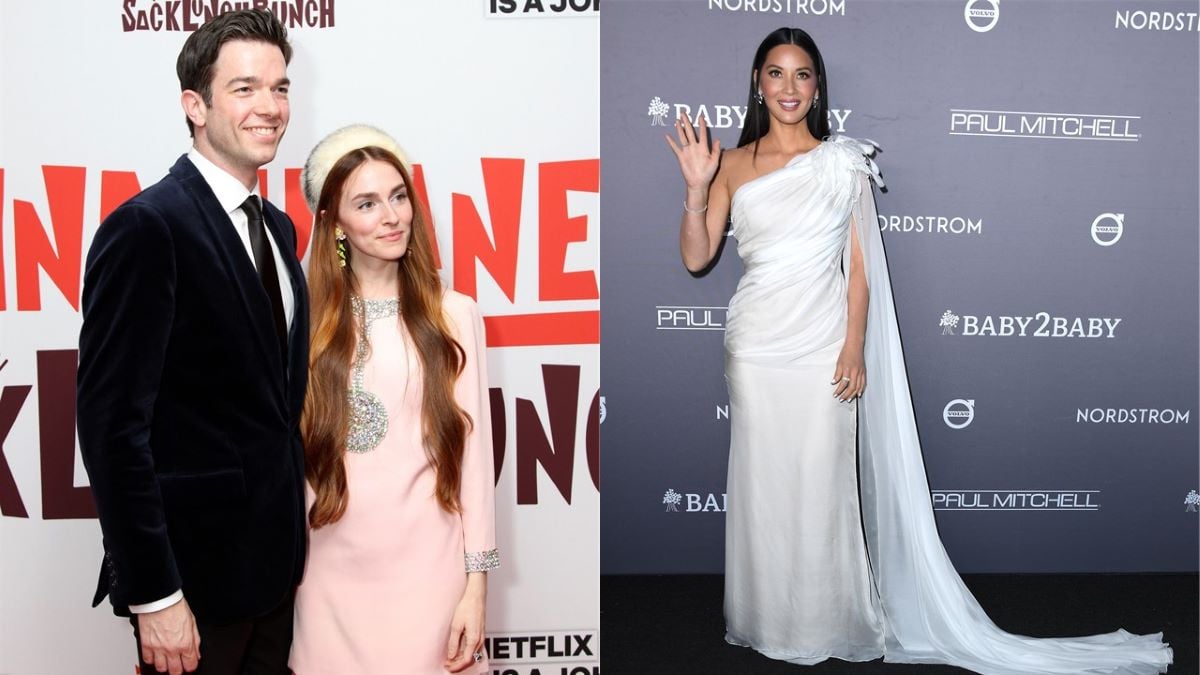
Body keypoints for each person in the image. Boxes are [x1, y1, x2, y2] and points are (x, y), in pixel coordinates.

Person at [667, 26, 1172, 674]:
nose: (788, 87)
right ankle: (768, 619)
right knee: (764, 488)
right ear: (758, 84)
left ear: (817, 87)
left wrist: (854, 348)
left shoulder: (841, 161)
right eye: (776, 73)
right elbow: (695, 254)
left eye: (801, 74)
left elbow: (859, 273)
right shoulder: (730, 164)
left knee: (823, 490)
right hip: (757, 349)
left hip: (821, 346)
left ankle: (823, 619)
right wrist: (696, 188)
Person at [76, 9, 307, 675]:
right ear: (195, 105)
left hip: (275, 575)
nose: (270, 107)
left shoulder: (281, 230)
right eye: (244, 89)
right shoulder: (149, 227)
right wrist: (154, 592)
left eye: (281, 88)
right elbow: (112, 427)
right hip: (192, 584)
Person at [289, 125, 498, 674]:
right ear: (334, 223)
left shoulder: (454, 313)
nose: (392, 216)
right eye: (367, 203)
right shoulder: (300, 321)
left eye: (399, 196)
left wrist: (475, 588)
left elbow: (472, 460)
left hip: (430, 577)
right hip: (327, 577)